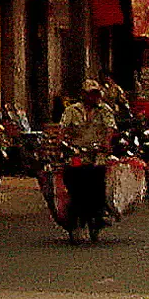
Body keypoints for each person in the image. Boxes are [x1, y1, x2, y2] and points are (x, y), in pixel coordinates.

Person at [56, 82, 116, 230]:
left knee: (98, 179)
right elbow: (63, 128)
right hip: (77, 152)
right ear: (83, 95)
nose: (94, 97)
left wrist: (106, 143)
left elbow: (110, 128)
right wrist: (61, 142)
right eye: (91, 94)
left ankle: (100, 212)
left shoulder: (104, 110)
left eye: (96, 94)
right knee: (71, 176)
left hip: (97, 153)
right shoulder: (71, 110)